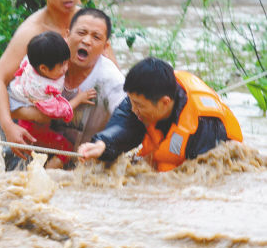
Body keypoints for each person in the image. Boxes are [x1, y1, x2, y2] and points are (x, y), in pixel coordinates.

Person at [0, 0, 119, 168]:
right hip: (26, 118)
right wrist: (8, 126)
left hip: (68, 114)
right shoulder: (32, 31)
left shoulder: (89, 24)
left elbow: (113, 81)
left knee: (75, 177)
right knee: (21, 181)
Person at [0, 8, 125, 170]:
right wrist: (29, 116)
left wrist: (105, 143)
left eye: (96, 37)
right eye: (82, 32)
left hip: (87, 155)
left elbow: (129, 121)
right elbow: (4, 94)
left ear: (105, 47)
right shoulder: (43, 57)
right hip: (38, 137)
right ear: (67, 34)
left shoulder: (112, 81)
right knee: (18, 177)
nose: (86, 41)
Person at [78, 57, 243, 172]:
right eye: (131, 101)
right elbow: (124, 126)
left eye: (139, 105)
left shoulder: (204, 126)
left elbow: (207, 181)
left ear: (165, 102)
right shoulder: (141, 97)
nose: (133, 109)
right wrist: (103, 144)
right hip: (165, 162)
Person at [8, 31, 96, 166]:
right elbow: (59, 111)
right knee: (66, 149)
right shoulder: (41, 90)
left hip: (28, 125)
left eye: (66, 62)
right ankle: (49, 175)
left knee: (40, 158)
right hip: (34, 131)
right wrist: (79, 99)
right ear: (43, 68)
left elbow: (54, 50)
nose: (66, 68)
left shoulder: (34, 62)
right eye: (62, 66)